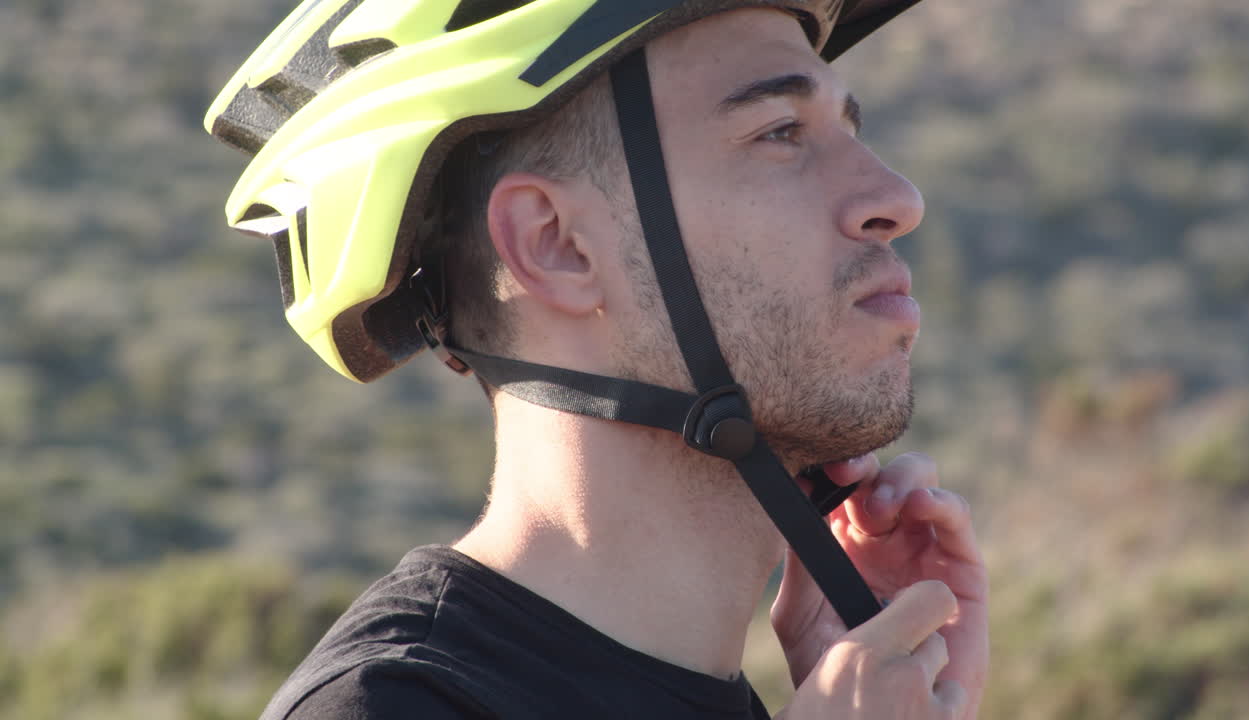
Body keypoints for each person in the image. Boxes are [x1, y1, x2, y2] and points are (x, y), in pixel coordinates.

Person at [207, 1, 988, 718]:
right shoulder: (396, 706)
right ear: (557, 245)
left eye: (847, 129)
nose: (896, 196)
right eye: (780, 131)